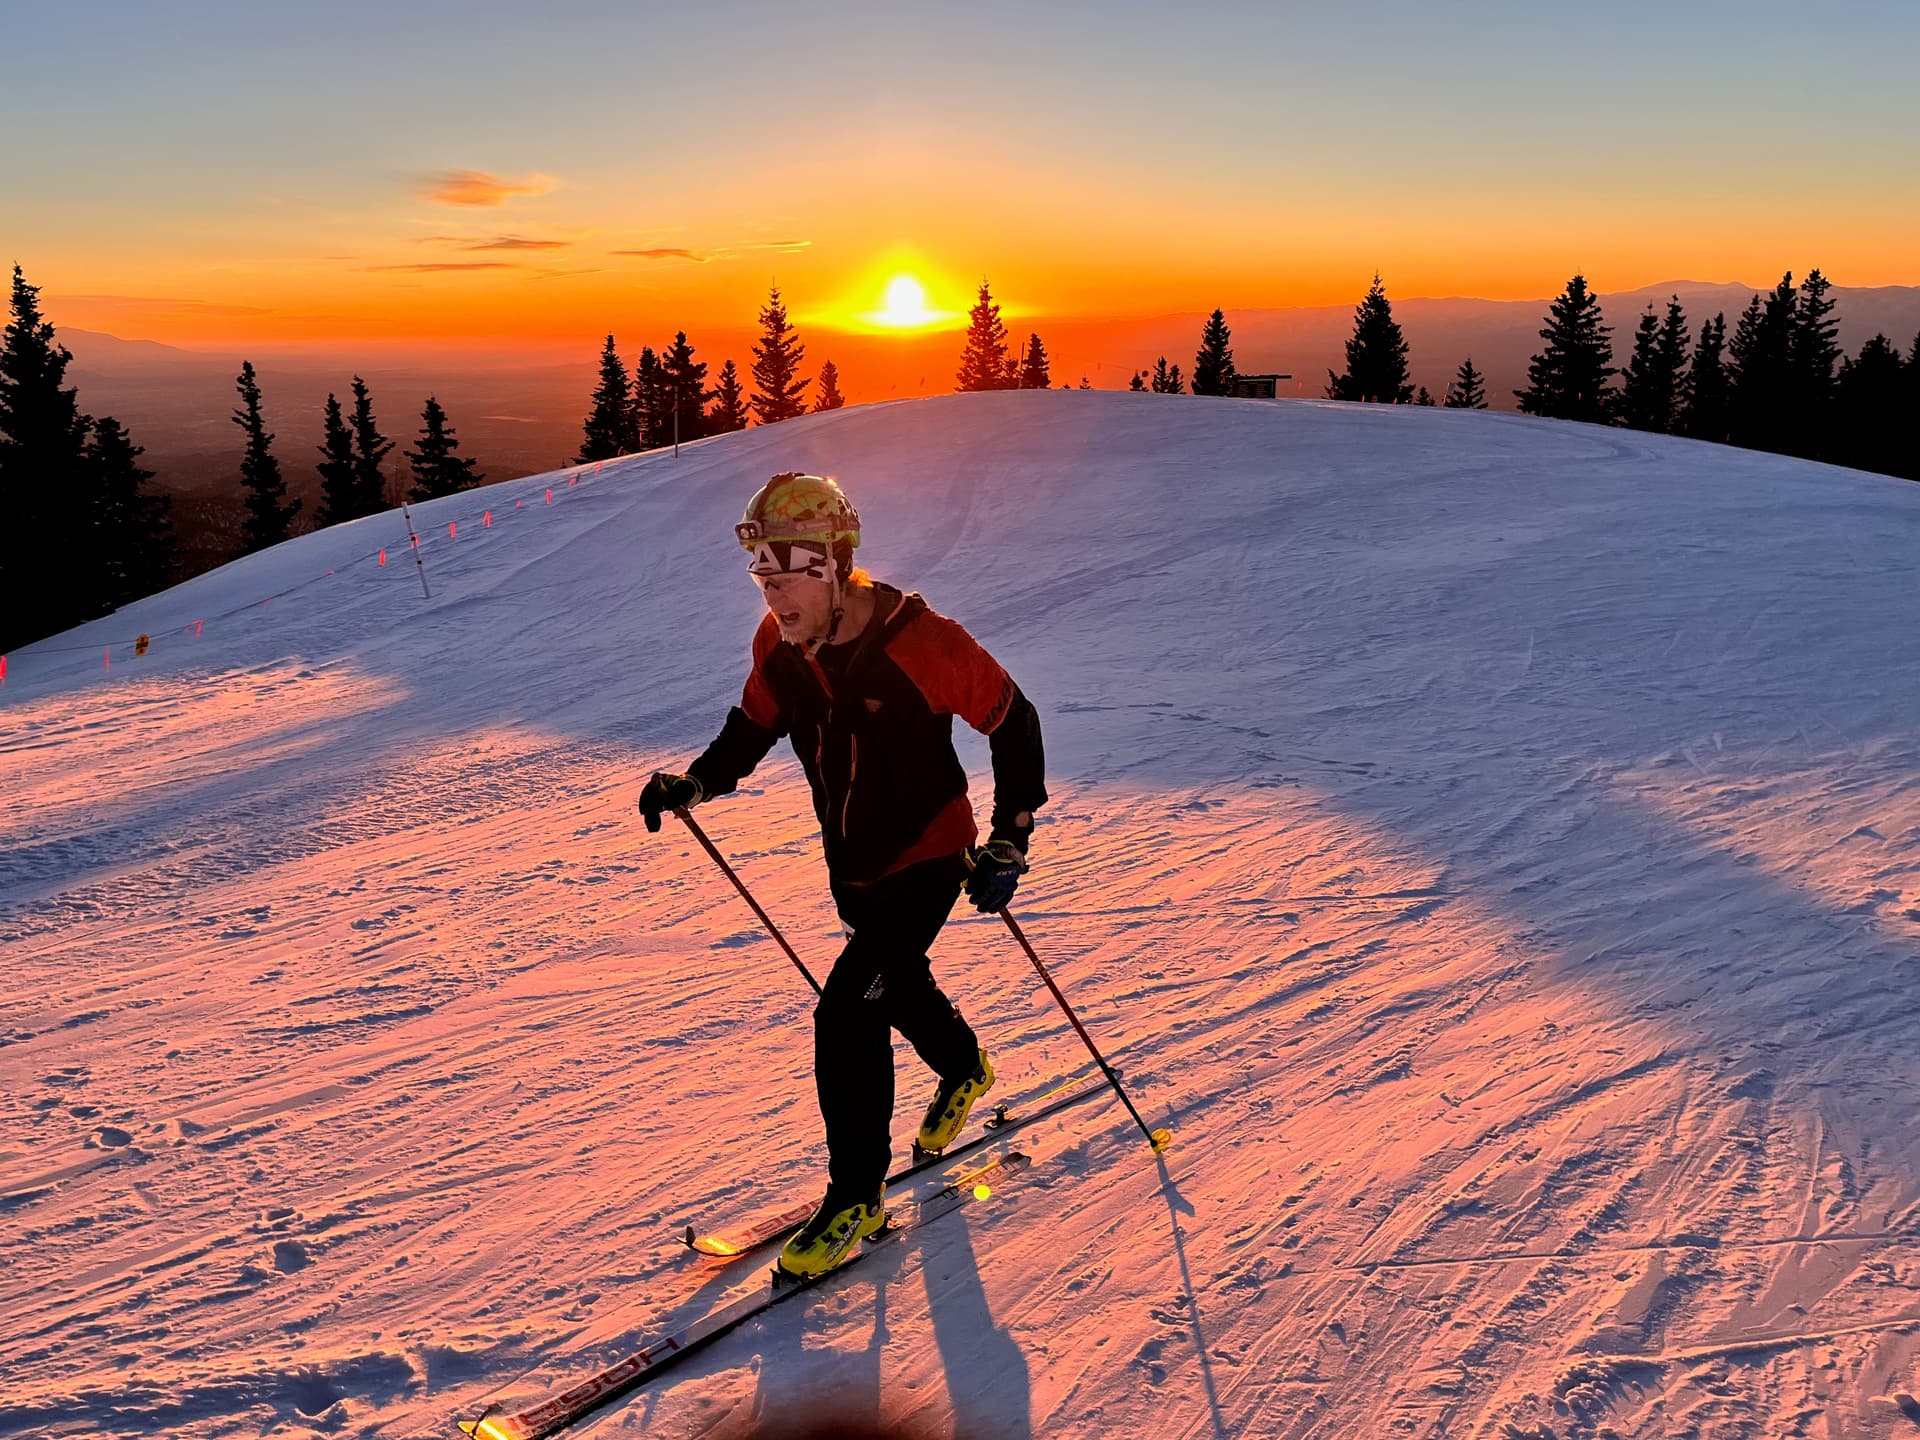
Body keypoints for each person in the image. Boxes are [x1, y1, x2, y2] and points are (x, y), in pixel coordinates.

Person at [638, 472, 1046, 1279]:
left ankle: (857, 1194)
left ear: (833, 566)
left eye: (787, 578)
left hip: (928, 854)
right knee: (889, 984)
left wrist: (1011, 839)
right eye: (762, 578)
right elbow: (752, 725)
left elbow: (1014, 719)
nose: (773, 597)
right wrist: (697, 781)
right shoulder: (780, 647)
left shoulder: (927, 643)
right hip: (853, 863)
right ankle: (965, 1066)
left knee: (846, 1015)